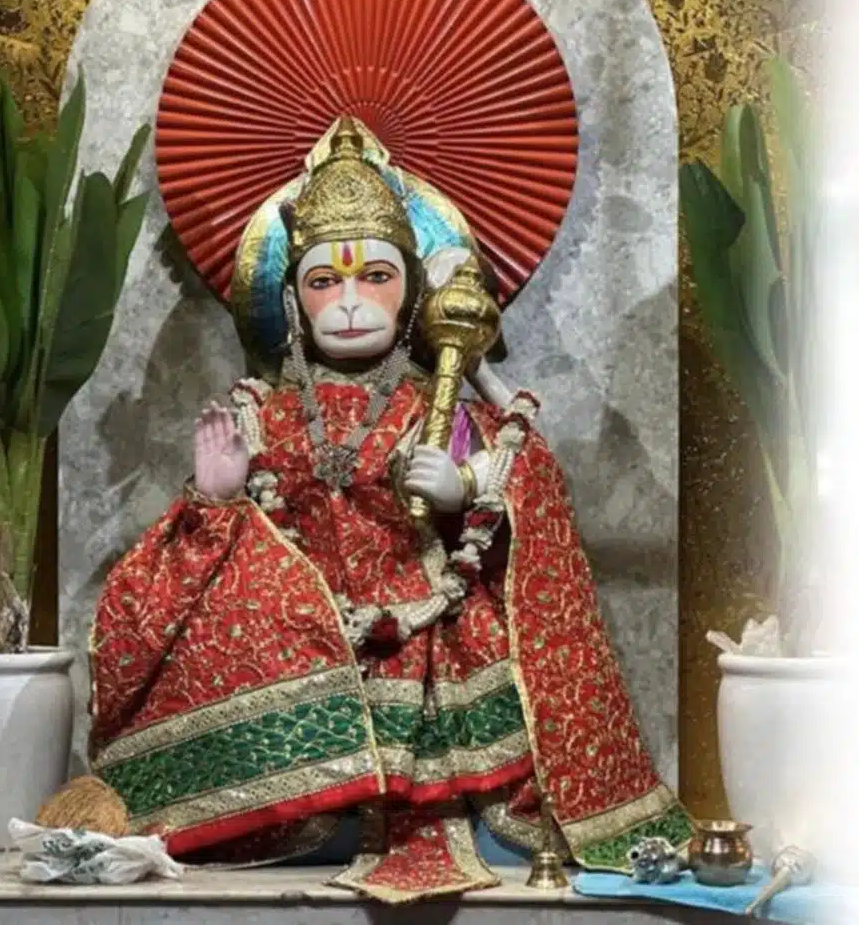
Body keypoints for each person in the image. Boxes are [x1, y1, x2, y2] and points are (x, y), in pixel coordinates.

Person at [85, 117, 692, 902]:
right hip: (301, 640)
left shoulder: (436, 404)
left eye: (374, 276)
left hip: (433, 630)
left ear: (413, 292)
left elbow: (525, 482)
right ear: (292, 302)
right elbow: (202, 563)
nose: (348, 303)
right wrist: (219, 499)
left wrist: (465, 488)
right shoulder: (260, 412)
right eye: (323, 283)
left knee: (502, 713)